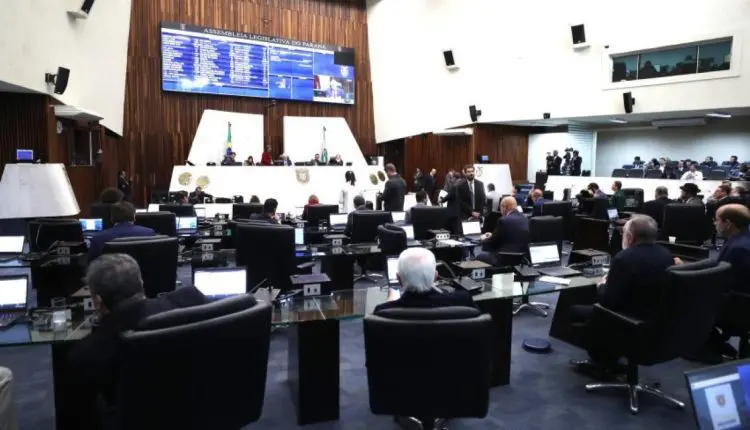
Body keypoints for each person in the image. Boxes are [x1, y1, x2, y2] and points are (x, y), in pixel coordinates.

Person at [62, 254, 209, 429]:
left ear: (98, 301)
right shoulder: (191, 298)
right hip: (206, 411)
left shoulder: (86, 355)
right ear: (141, 283)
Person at [571, 215, 674, 378]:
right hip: (655, 321)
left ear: (630, 237)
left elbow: (608, 302)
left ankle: (603, 362)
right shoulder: (666, 254)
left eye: (623, 233)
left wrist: (601, 285)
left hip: (627, 319)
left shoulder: (624, 258)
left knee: (574, 310)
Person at [374, 248, 475, 312]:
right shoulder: (463, 300)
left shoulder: (383, 311)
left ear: (399, 279)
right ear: (436, 276)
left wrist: (391, 304)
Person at [88, 202, 156, 262]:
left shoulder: (99, 237)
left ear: (111, 218)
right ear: (134, 216)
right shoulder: (149, 233)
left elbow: (92, 263)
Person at [476, 197, 530, 266]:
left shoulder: (503, 220)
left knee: (479, 256)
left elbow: (493, 243)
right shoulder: (525, 219)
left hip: (504, 258)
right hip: (521, 258)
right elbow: (511, 235)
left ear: (504, 207)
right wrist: (492, 235)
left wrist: (483, 239)